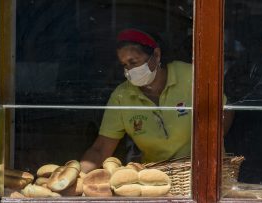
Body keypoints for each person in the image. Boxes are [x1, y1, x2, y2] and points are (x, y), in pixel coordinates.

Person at [80, 28, 234, 173]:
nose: (130, 71)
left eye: (134, 62)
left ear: (157, 55)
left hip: (205, 173)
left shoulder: (190, 76)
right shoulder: (122, 96)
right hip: (157, 177)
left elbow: (224, 111)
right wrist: (77, 176)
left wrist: (205, 151)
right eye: (124, 65)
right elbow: (100, 149)